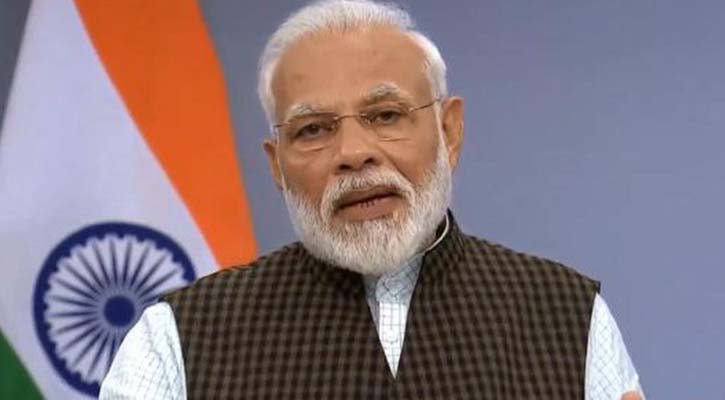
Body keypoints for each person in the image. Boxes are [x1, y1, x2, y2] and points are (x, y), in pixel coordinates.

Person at [100, 0, 644, 398]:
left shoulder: (567, 317)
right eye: (314, 129)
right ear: (277, 165)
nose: (354, 153)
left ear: (449, 132)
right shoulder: (178, 339)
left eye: (385, 116)